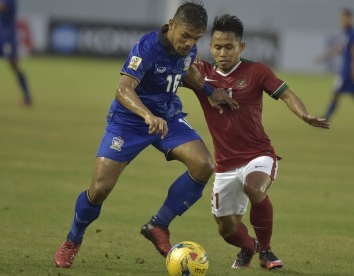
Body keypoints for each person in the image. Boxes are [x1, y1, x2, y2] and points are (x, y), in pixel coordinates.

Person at [53, 1, 238, 269]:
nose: (189, 43)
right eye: (185, 36)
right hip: (129, 121)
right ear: (171, 25)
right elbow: (123, 89)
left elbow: (187, 71)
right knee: (100, 188)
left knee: (204, 165)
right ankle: (72, 239)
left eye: (195, 38)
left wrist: (210, 92)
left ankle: (158, 224)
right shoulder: (148, 47)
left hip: (167, 118)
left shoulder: (189, 49)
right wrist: (146, 115)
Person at [187, 14, 329, 270]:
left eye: (229, 47)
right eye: (217, 47)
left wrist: (304, 114)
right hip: (225, 165)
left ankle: (266, 251)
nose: (223, 52)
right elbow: (172, 69)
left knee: (255, 189)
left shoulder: (256, 71)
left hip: (258, 155)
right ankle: (248, 247)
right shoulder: (202, 74)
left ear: (241, 47)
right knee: (226, 229)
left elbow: (286, 95)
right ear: (210, 47)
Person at [315, 8, 354, 128]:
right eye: (341, 18)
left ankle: (326, 117)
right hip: (347, 69)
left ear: (350, 19)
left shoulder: (352, 33)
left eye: (344, 18)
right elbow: (339, 48)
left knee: (336, 93)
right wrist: (323, 57)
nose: (342, 21)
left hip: (347, 71)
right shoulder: (346, 33)